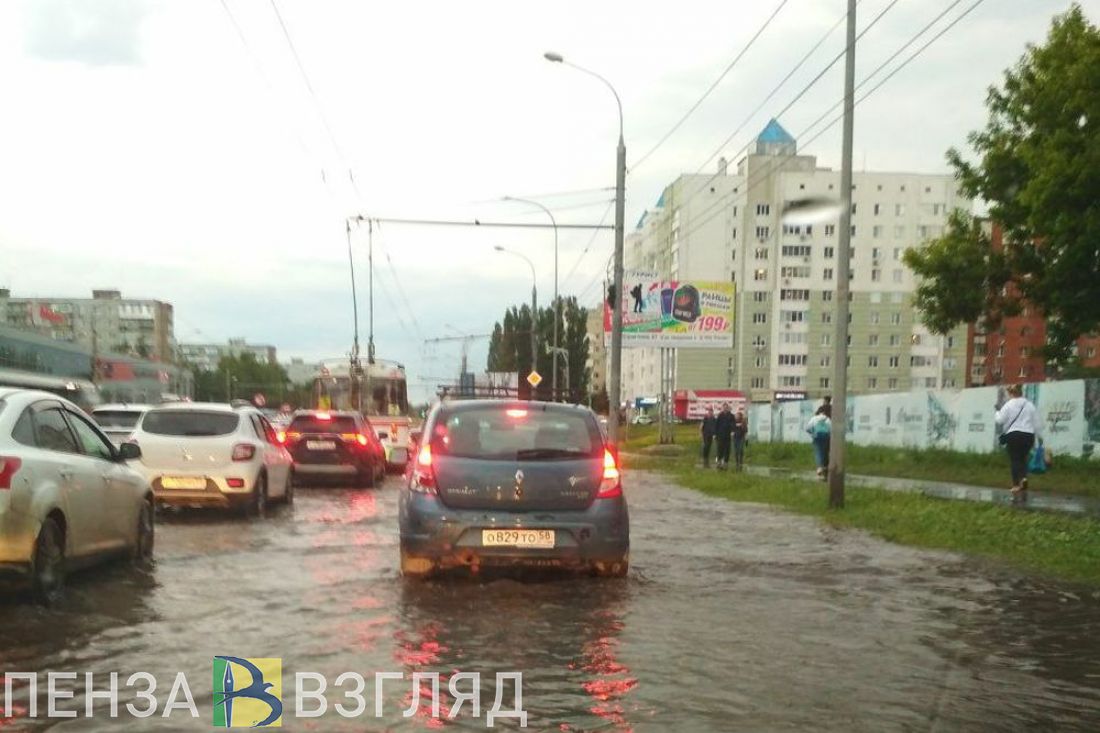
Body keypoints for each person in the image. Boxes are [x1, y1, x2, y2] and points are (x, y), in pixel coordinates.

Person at [995, 384, 1042, 503]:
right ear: (1021, 393)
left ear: (1011, 393)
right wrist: (1039, 437)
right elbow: (1037, 422)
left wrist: (997, 411)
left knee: (1015, 460)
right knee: (1023, 458)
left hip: (1014, 435)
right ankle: (1024, 479)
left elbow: (1000, 420)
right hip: (1028, 435)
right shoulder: (1030, 405)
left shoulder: (1009, 404)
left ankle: (1016, 485)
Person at [806, 404, 832, 479]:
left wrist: (813, 433)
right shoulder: (827, 419)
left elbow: (808, 428)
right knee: (824, 453)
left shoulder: (814, 418)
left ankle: (820, 468)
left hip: (816, 438)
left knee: (818, 452)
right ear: (824, 412)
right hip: (826, 438)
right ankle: (825, 468)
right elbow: (831, 430)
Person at [714, 403, 734, 470]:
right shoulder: (720, 415)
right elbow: (716, 425)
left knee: (727, 449)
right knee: (720, 448)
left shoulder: (731, 416)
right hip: (720, 435)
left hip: (728, 435)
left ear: (728, 408)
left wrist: (732, 431)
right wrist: (715, 434)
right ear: (722, 408)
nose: (725, 409)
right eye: (724, 407)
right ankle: (719, 461)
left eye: (726, 407)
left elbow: (733, 424)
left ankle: (725, 462)